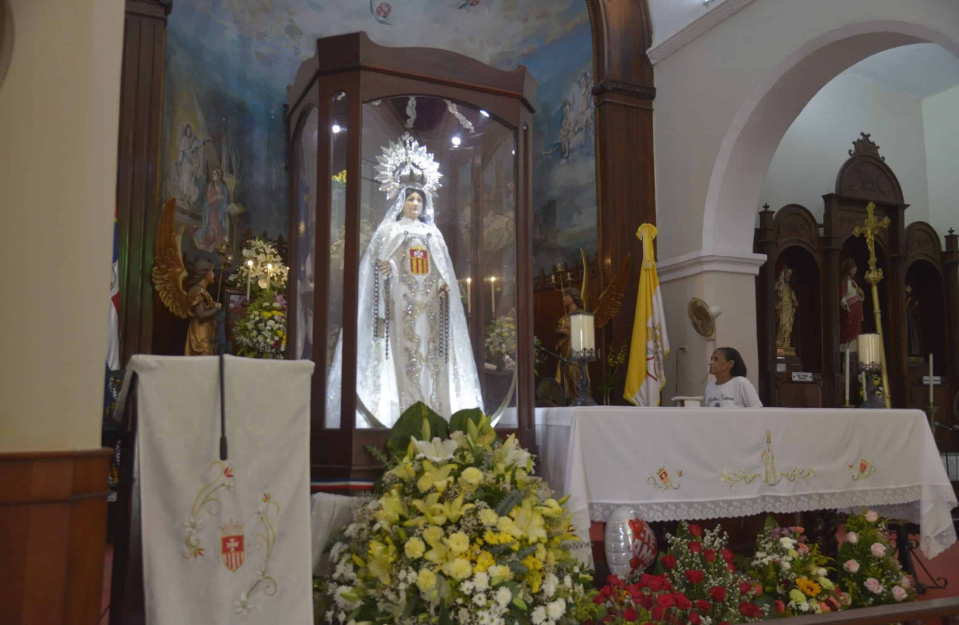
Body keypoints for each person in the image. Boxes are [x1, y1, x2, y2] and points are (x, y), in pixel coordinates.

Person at [326, 133, 482, 428]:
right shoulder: (390, 232)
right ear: (401, 200)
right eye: (410, 198)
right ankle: (400, 415)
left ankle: (436, 415)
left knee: (433, 360)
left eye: (419, 199)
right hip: (401, 304)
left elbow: (440, 271)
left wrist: (442, 285)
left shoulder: (433, 235)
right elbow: (380, 267)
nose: (415, 203)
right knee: (404, 357)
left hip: (432, 308)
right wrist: (388, 273)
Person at [554, 286, 588, 401]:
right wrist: (565, 329)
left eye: (565, 296)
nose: (563, 298)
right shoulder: (565, 317)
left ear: (572, 297)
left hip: (575, 353)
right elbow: (558, 331)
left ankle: (579, 401)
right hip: (564, 354)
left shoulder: (581, 314)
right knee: (566, 381)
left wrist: (567, 328)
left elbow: (581, 330)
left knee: (575, 377)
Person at [184, 261, 220, 356]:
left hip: (205, 330)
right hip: (200, 332)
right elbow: (201, 315)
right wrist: (216, 309)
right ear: (204, 274)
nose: (213, 275)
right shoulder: (197, 290)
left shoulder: (202, 291)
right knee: (202, 358)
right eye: (211, 272)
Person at [194, 167, 229, 253]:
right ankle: (206, 244)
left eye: (215, 174)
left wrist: (224, 204)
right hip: (211, 211)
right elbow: (209, 200)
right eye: (213, 174)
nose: (213, 176)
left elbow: (226, 200)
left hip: (219, 213)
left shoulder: (223, 187)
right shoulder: (211, 185)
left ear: (219, 176)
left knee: (219, 233)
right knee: (212, 231)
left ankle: (212, 245)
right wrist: (217, 197)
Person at [839, 259, 864, 352]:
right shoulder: (845, 281)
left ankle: (854, 347)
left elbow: (858, 293)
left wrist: (861, 294)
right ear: (848, 270)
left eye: (855, 270)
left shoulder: (853, 281)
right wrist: (845, 304)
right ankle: (847, 347)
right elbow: (842, 295)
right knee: (849, 329)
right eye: (853, 270)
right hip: (850, 309)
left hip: (856, 309)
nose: (854, 272)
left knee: (857, 328)